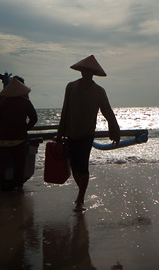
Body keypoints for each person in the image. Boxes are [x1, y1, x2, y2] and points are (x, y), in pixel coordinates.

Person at [57, 55, 121, 212]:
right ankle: (81, 193)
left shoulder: (99, 91)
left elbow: (108, 112)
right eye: (84, 71)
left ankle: (80, 198)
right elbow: (65, 110)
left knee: (83, 166)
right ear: (81, 72)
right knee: (74, 166)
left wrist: (114, 130)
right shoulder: (70, 87)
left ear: (93, 73)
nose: (86, 73)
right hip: (71, 133)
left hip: (87, 134)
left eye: (89, 71)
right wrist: (60, 133)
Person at [0, 74, 38, 193]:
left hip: (3, 138)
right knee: (19, 164)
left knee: (1, 164)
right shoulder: (25, 102)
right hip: (19, 138)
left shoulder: (3, 101)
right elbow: (34, 118)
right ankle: (19, 188)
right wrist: (25, 128)